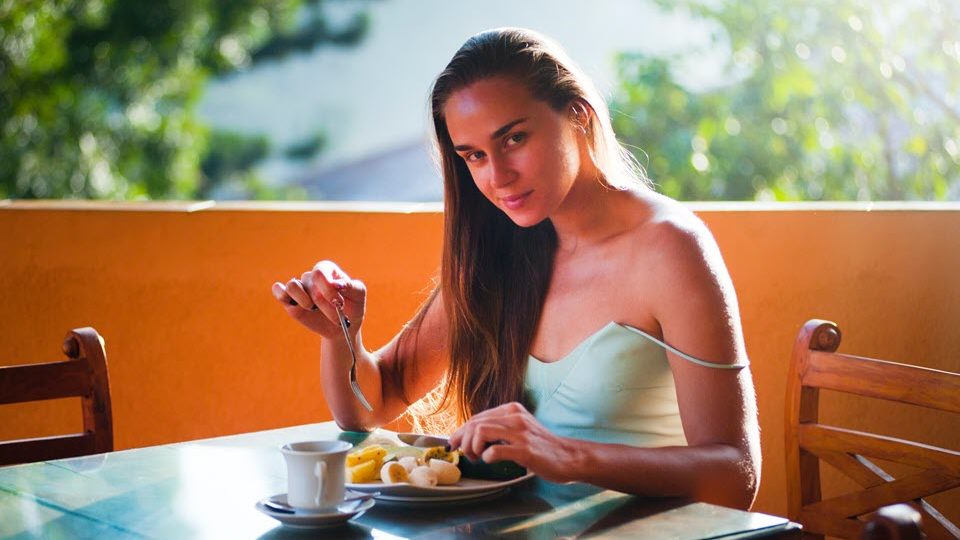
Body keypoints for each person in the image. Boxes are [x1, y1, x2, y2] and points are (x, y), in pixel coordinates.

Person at [272, 27, 761, 510]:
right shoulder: (497, 252)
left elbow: (736, 476)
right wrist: (341, 337)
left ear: (579, 115)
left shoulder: (670, 248)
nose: (497, 177)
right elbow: (375, 404)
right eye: (475, 156)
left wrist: (567, 455)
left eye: (514, 139)